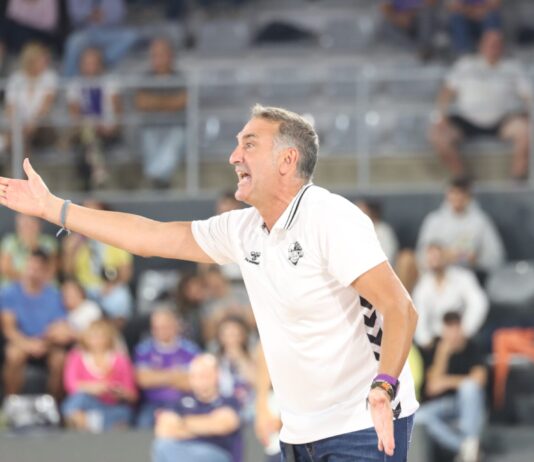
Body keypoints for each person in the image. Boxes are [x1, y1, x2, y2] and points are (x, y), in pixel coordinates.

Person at [0, 104, 419, 461]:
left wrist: (384, 387)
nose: (234, 155)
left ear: (287, 160)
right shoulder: (244, 229)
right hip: (299, 430)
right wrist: (55, 208)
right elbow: (149, 237)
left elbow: (400, 308)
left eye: (249, 144)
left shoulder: (330, 218)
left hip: (364, 420)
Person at [429, 30, 531, 180]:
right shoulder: (465, 64)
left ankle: (517, 177)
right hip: (466, 120)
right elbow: (446, 93)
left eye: (497, 44)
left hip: (501, 121)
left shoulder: (512, 67)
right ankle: (462, 177)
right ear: (480, 45)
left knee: (527, 130)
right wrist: (439, 117)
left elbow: (528, 95)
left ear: (502, 47)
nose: (493, 47)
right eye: (489, 44)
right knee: (437, 135)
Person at [415, 312, 487, 462]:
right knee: (418, 418)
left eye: (456, 328)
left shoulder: (472, 346)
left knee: (468, 388)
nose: (453, 333)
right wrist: (443, 355)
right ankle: (465, 447)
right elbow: (432, 387)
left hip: (467, 404)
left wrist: (446, 382)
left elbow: (478, 380)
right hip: (443, 404)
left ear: (461, 328)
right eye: (449, 328)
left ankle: (469, 443)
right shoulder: (436, 348)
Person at [0, 250, 68, 400]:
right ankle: (11, 404)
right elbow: (9, 328)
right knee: (13, 355)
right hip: (21, 341)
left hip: (47, 343)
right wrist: (28, 344)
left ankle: (54, 406)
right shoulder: (10, 292)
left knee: (60, 359)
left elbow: (60, 326)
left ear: (45, 272)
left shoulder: (54, 294)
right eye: (29, 267)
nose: (31, 273)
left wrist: (45, 342)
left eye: (36, 269)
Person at [152, 354, 242, 462]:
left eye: (204, 375)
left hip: (217, 452)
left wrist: (181, 423)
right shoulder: (181, 402)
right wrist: (206, 426)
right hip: (184, 451)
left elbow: (223, 424)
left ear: (216, 375)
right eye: (195, 376)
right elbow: (162, 430)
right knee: (162, 445)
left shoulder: (228, 400)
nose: (200, 381)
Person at [61, 199, 134, 327]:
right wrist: (71, 251)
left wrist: (112, 286)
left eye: (94, 213)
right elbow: (67, 272)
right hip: (83, 289)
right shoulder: (75, 240)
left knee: (121, 295)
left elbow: (126, 272)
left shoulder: (115, 239)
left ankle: (113, 335)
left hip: (108, 288)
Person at [416, 176, 505, 279]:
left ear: (469, 196)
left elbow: (496, 258)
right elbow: (420, 257)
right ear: (447, 195)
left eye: (461, 193)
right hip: (434, 276)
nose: (457, 198)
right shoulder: (434, 221)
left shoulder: (480, 221)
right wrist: (441, 256)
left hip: (467, 275)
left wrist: (476, 259)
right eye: (453, 193)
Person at [62, 319, 137, 432]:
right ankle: (90, 423)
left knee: (124, 413)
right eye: (93, 336)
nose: (97, 341)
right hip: (87, 403)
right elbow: (71, 385)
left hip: (111, 406)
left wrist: (118, 391)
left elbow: (132, 395)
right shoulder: (76, 356)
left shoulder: (121, 360)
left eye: (101, 336)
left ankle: (94, 423)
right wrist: (94, 388)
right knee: (77, 399)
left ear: (109, 338)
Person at [134, 306, 200, 429]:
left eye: (164, 327)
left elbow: (192, 382)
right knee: (143, 424)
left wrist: (157, 375)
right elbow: (143, 380)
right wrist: (176, 374)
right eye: (156, 328)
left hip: (183, 402)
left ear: (175, 326)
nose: (160, 331)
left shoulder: (190, 350)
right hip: (152, 404)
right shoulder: (143, 349)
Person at [413, 242, 489, 348]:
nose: (435, 260)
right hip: (436, 340)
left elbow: (478, 303)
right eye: (432, 256)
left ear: (445, 256)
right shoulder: (422, 286)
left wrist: (466, 330)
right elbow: (418, 315)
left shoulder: (463, 277)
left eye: (438, 255)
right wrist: (425, 340)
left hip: (462, 336)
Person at [134, 37, 187, 189]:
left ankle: (153, 177)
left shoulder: (180, 77)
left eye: (162, 54)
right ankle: (161, 178)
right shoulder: (146, 78)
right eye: (154, 55)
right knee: (147, 140)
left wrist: (155, 103)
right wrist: (168, 102)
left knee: (175, 140)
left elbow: (182, 101)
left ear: (170, 56)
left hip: (175, 126)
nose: (158, 59)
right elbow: (141, 103)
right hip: (151, 126)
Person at [67, 46, 121, 190]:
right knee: (88, 136)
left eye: (94, 62)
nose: (90, 66)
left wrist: (108, 127)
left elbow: (118, 113)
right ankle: (98, 172)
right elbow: (75, 115)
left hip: (107, 131)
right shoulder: (75, 85)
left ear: (100, 64)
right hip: (85, 131)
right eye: (87, 63)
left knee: (88, 144)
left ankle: (86, 185)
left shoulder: (110, 82)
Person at [4, 42, 58, 154]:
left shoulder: (50, 77)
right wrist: (18, 125)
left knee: (21, 138)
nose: (45, 63)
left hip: (41, 126)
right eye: (42, 60)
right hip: (19, 126)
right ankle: (23, 168)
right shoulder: (16, 79)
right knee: (20, 137)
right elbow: (10, 107)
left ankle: (9, 146)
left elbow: (45, 106)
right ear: (31, 61)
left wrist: (31, 124)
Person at [62, 0, 138, 77]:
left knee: (131, 36)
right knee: (74, 41)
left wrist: (104, 17)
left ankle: (100, 63)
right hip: (86, 31)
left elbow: (119, 15)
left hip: (109, 31)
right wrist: (89, 14)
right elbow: (74, 16)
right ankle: (68, 81)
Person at [214, 315, 256, 421]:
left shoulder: (253, 356)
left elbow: (257, 381)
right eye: (227, 334)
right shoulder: (215, 359)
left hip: (251, 409)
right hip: (224, 411)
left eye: (235, 334)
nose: (231, 338)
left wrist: (240, 358)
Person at [0, 213, 58, 285]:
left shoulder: (48, 243)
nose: (27, 226)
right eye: (24, 223)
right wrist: (28, 282)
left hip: (43, 286)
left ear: (39, 225)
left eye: (31, 222)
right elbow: (5, 269)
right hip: (14, 286)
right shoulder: (10, 242)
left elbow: (52, 269)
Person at [356, 198, 399, 263]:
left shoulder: (383, 231)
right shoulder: (352, 231)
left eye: (361, 211)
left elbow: (386, 258)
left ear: (372, 213)